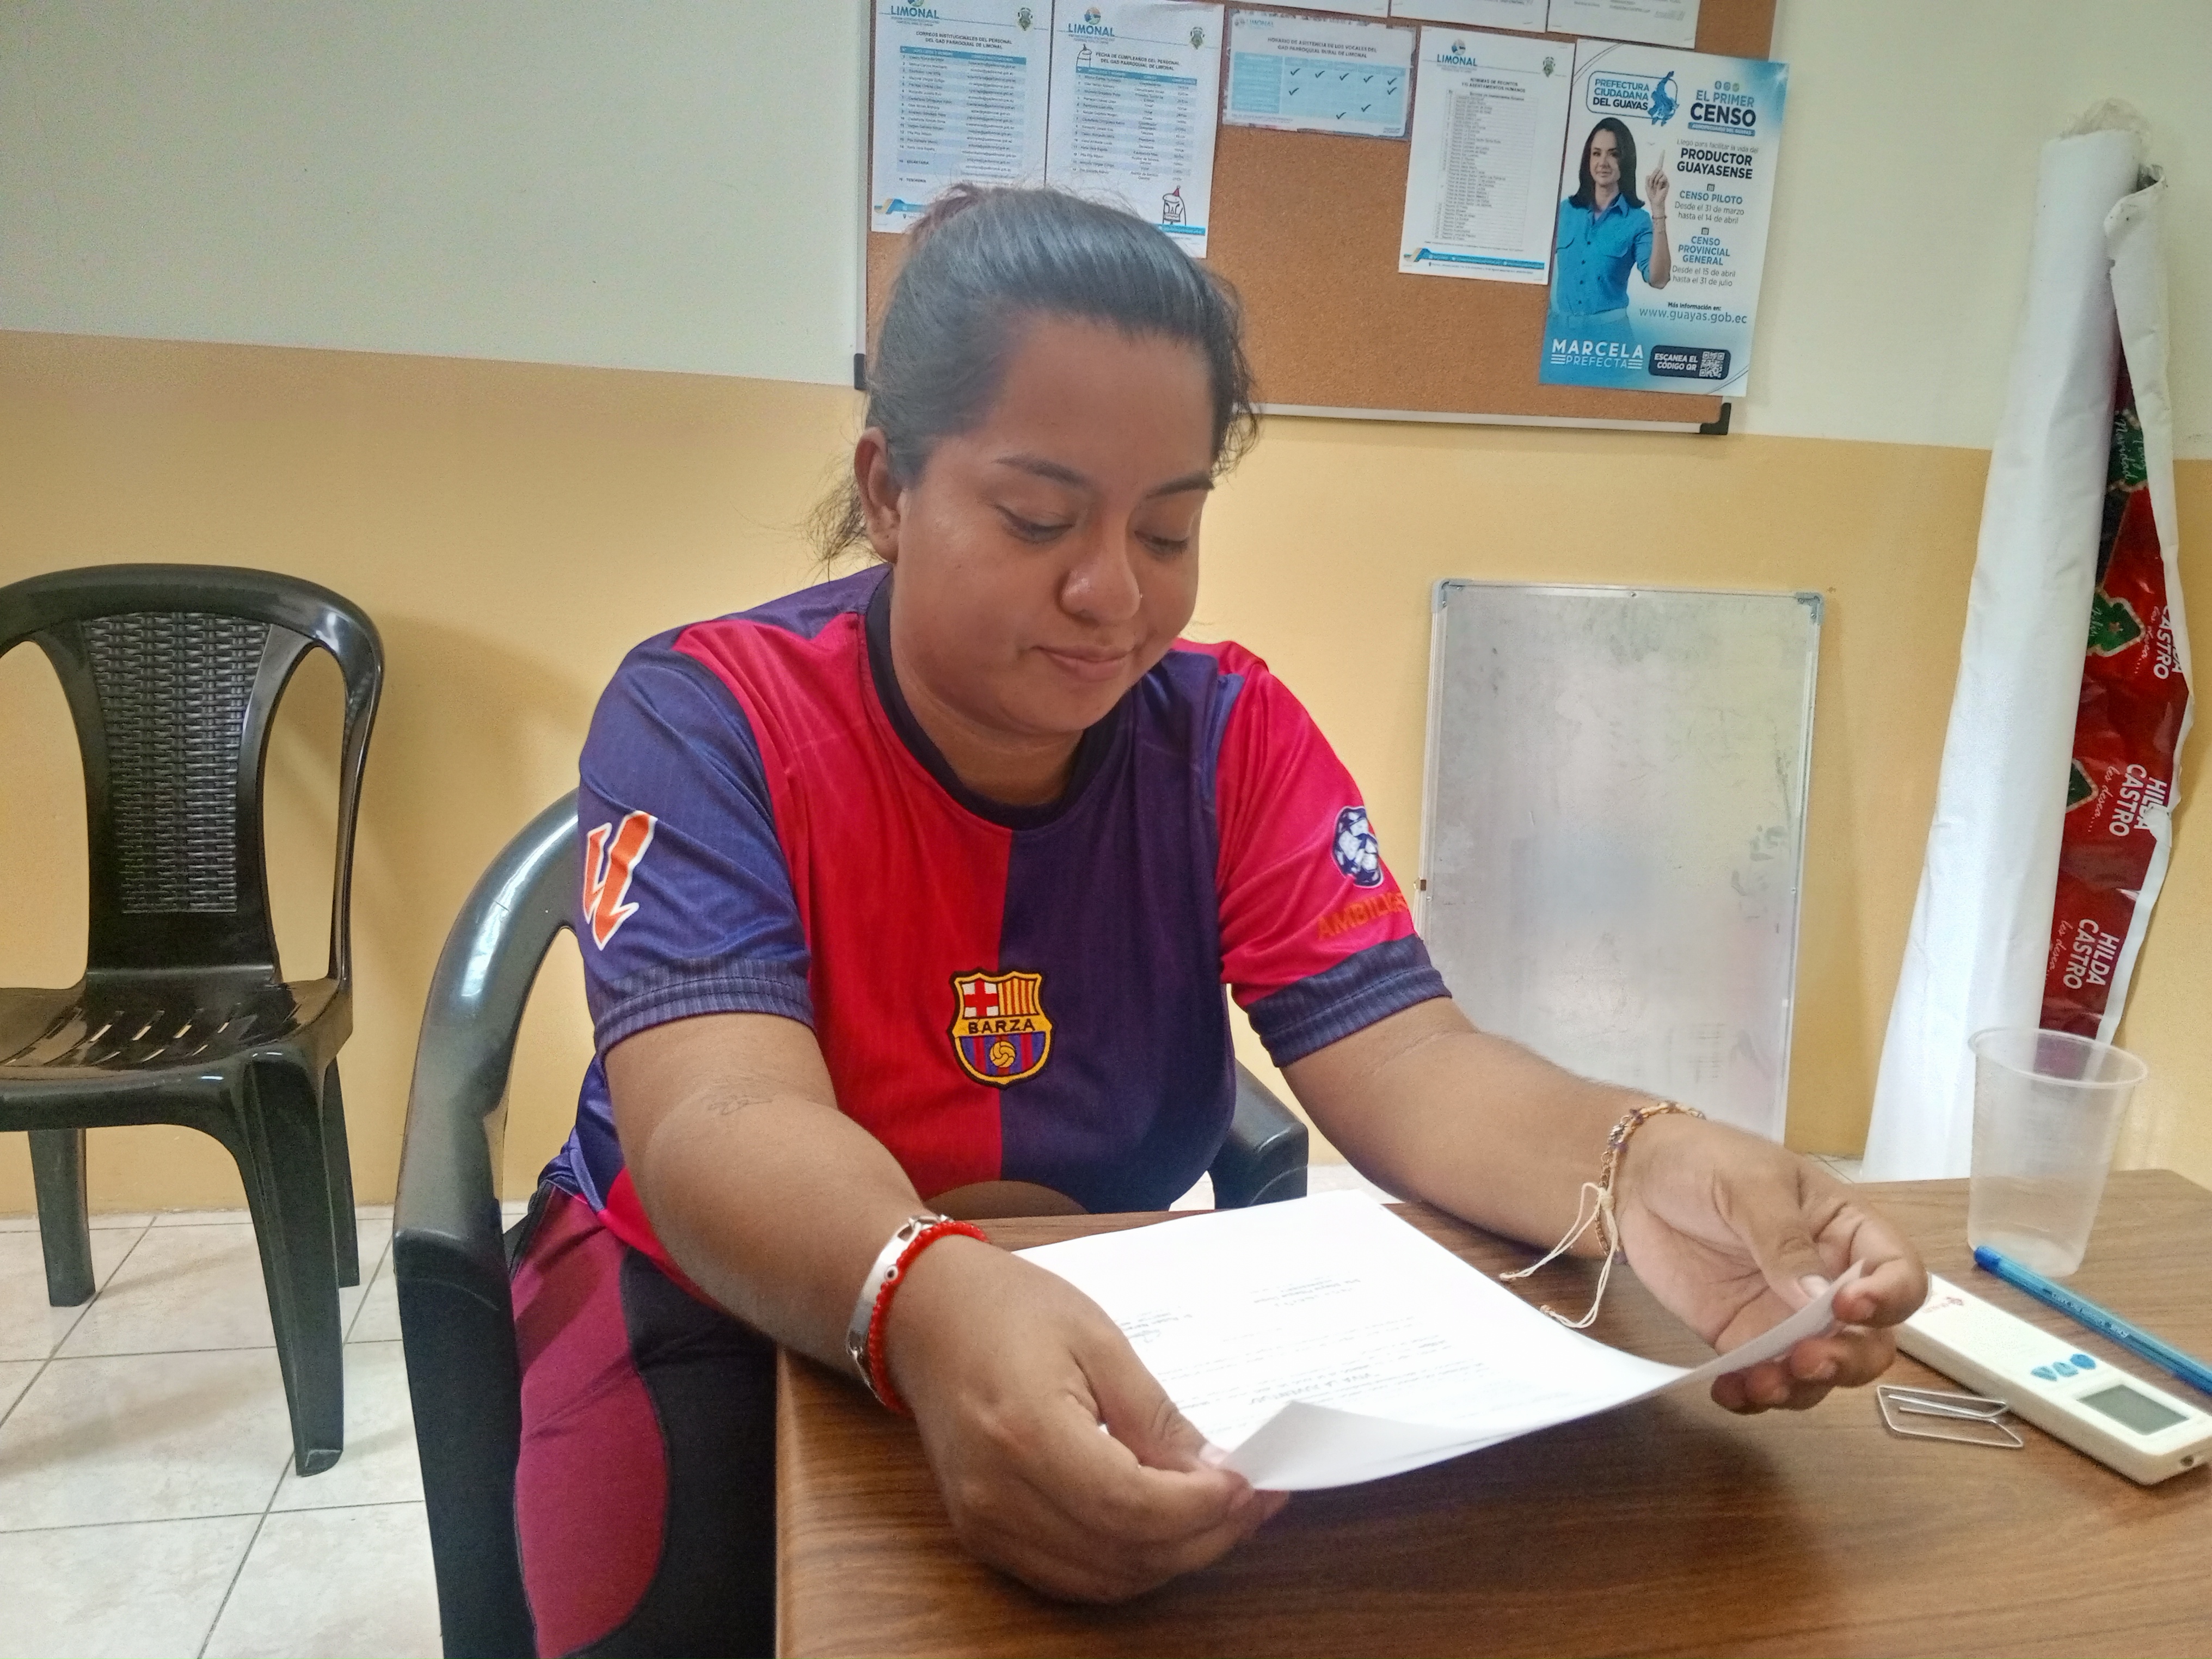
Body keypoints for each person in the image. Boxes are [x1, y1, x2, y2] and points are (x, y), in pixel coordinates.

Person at [510, 185, 1925, 1658]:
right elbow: (719, 1118)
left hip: (1086, 1307)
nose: (1111, 592)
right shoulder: (708, 718)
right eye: (1037, 517)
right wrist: (920, 1294)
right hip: (709, 1300)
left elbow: (1409, 1058)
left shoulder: (1228, 734)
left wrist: (1641, 1164)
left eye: (1169, 528)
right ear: (888, 489)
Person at [1548, 116, 1672, 350]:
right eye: (1596, 154)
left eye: (1613, 154)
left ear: (1625, 161)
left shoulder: (1638, 220)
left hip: (1611, 341)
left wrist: (1658, 209)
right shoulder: (1565, 211)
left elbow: (1658, 279)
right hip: (1561, 340)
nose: (1603, 163)